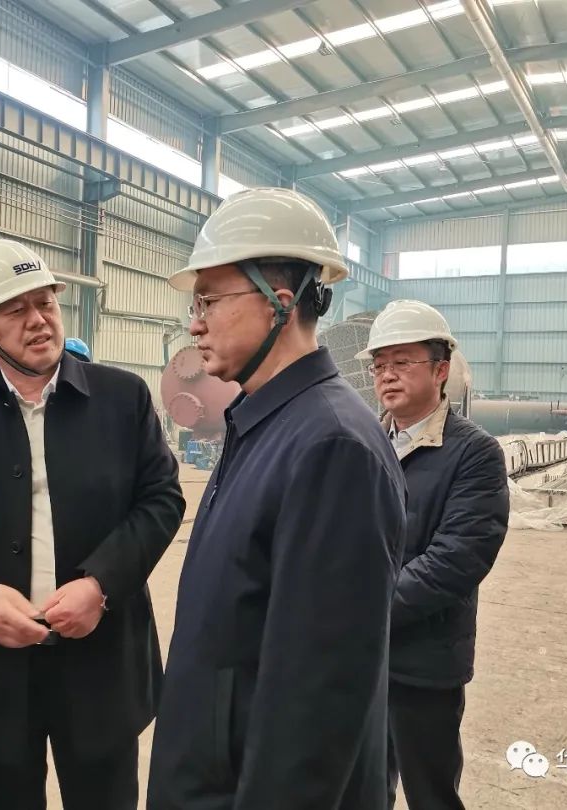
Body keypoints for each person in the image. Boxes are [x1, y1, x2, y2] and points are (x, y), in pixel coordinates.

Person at [147, 188, 408, 810]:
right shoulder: (264, 423)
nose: (195, 323)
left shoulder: (331, 447)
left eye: (209, 300)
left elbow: (317, 702)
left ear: (279, 303)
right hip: (213, 773)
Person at [0, 239, 185, 810]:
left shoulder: (123, 399)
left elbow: (162, 498)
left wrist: (101, 584)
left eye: (45, 303)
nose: (38, 320)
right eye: (15, 310)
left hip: (100, 663)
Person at [355, 300, 509, 810]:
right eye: (379, 365)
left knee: (431, 791)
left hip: (424, 660)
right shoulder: (363, 440)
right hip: (360, 655)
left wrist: (363, 610)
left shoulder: (474, 453)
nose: (387, 375)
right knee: (363, 787)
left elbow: (457, 558)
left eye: (402, 362)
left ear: (441, 371)